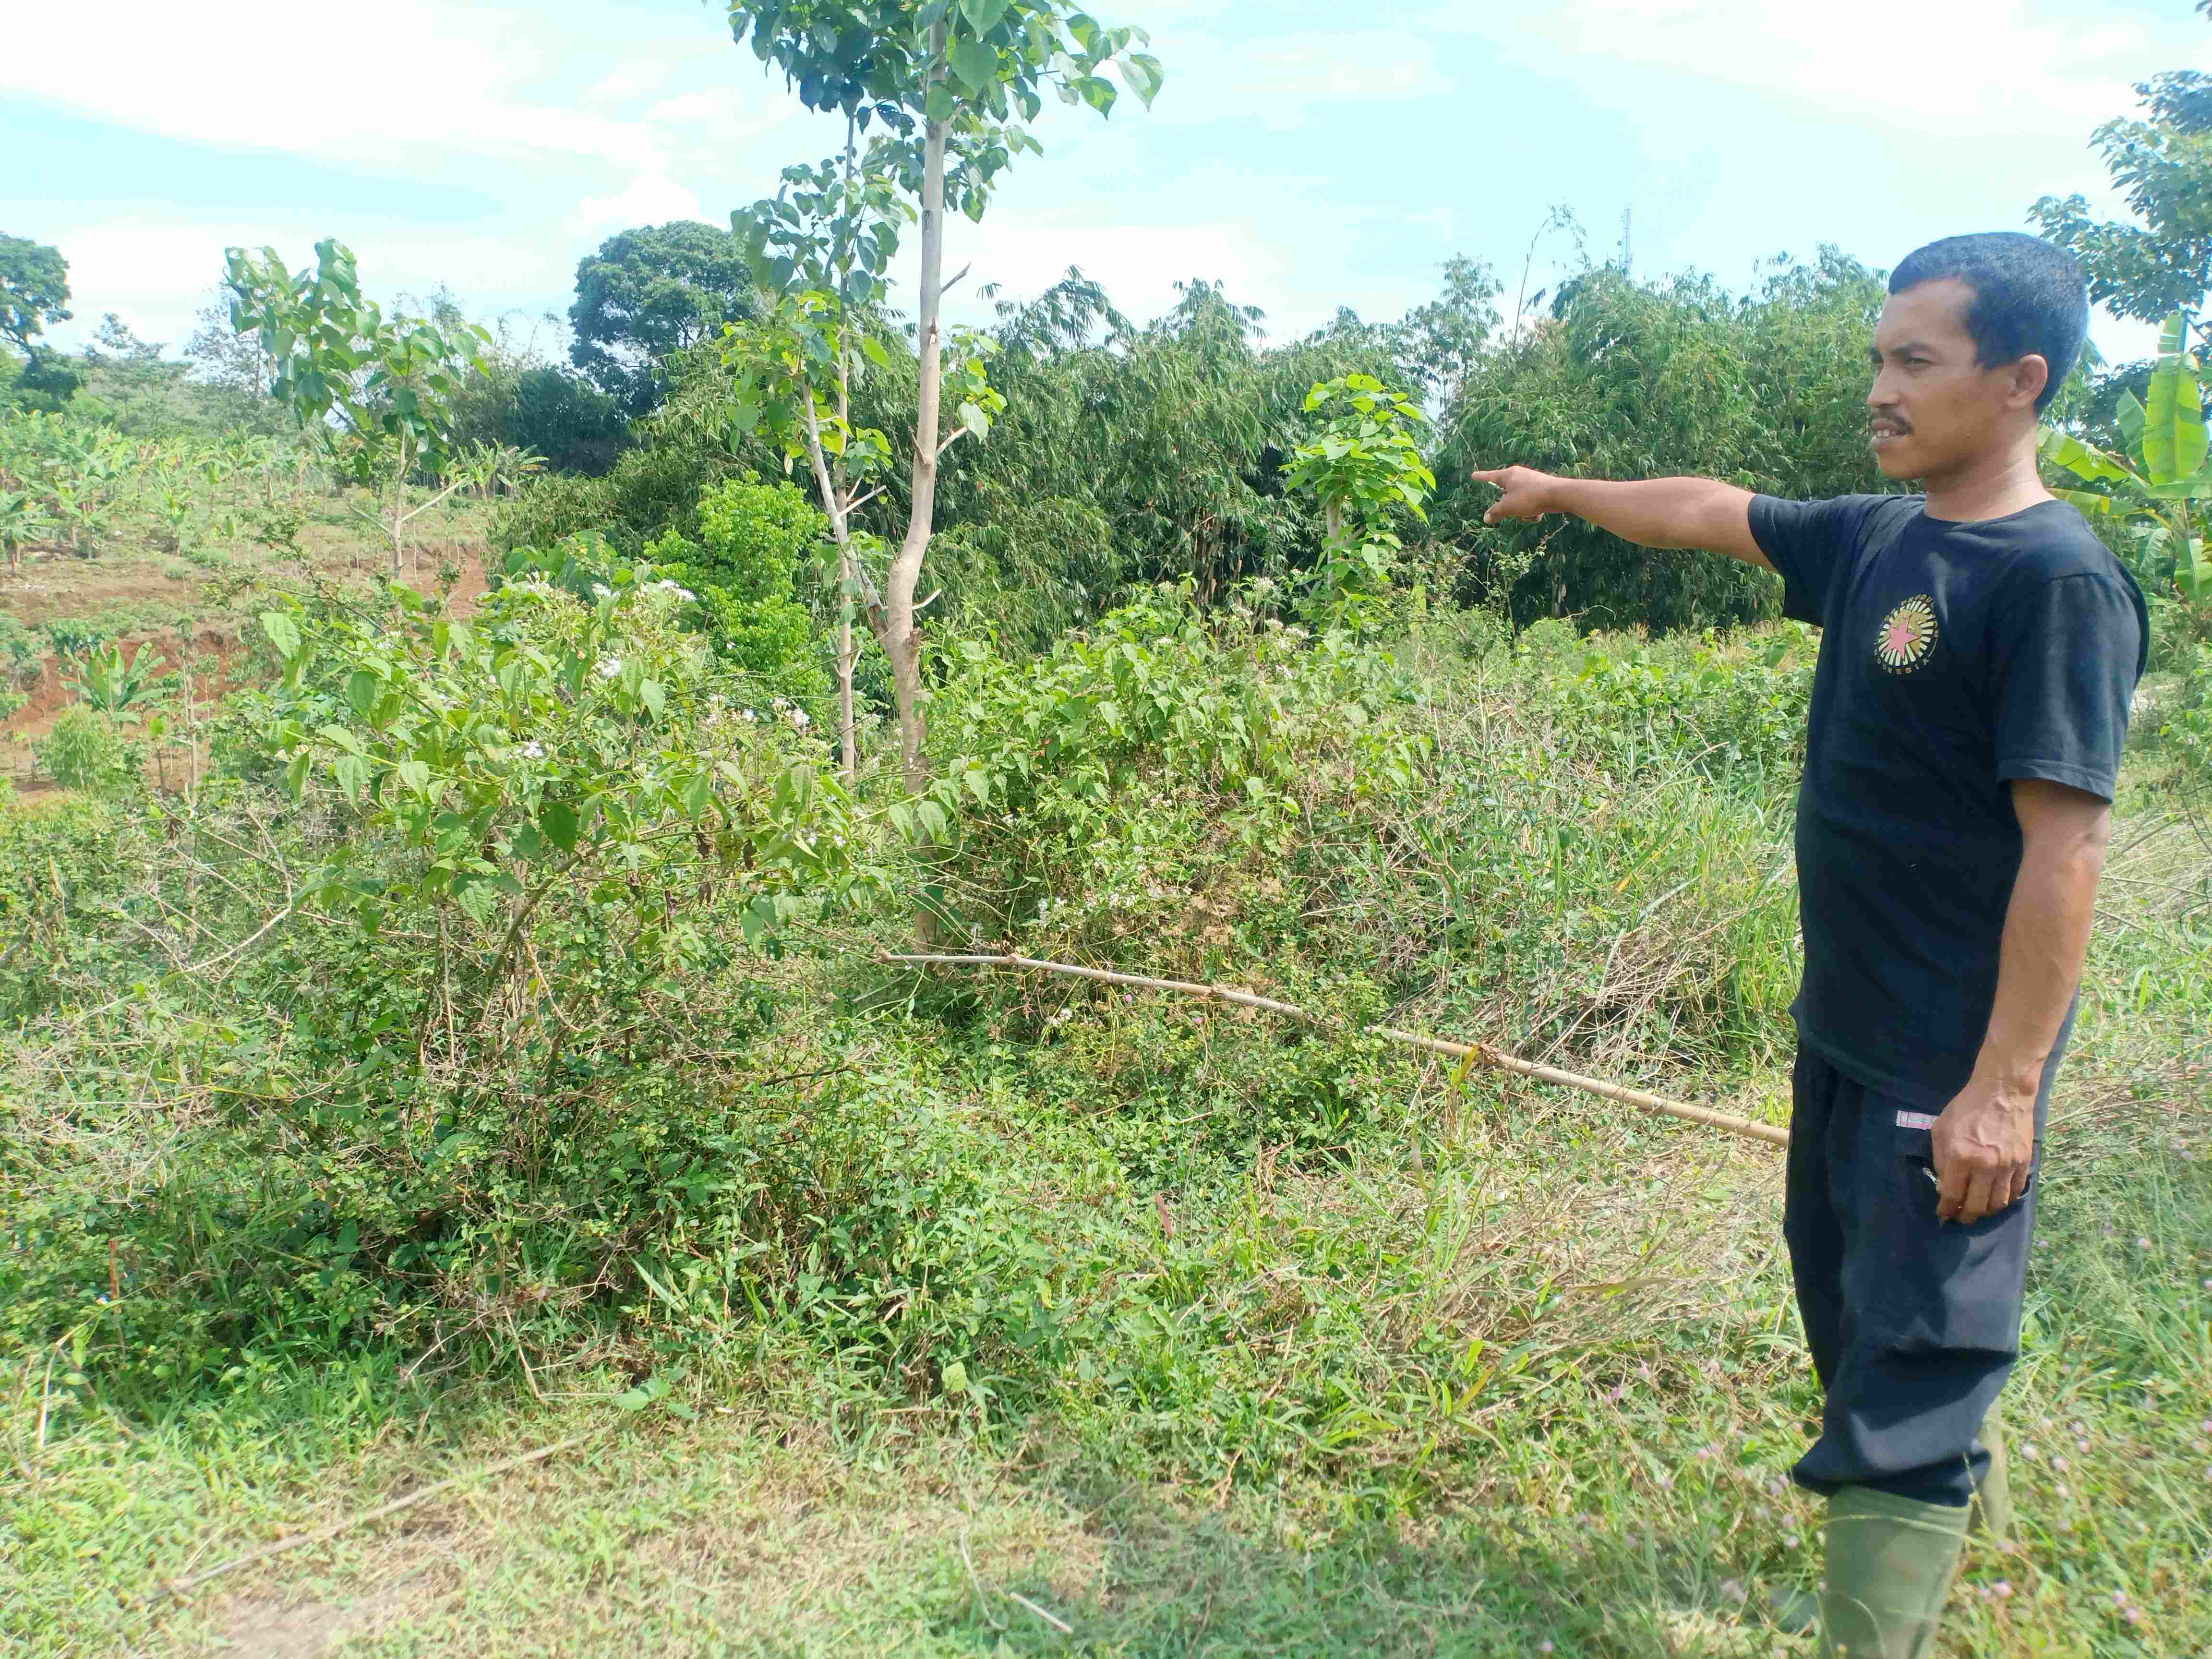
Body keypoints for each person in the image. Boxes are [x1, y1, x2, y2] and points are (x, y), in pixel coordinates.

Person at [1473, 232, 2146, 1659]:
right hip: (1844, 1022)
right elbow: (1710, 511)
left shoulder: (2056, 582)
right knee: (1854, 1309)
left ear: (2019, 381)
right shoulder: (1885, 537)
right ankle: (1940, 1563)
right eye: (1878, 359)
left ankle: (1874, 1632)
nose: (1881, 389)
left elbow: (2067, 850)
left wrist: (2004, 1090)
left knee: (1917, 1348)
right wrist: (1562, 492)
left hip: (1946, 1049)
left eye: (1917, 361)